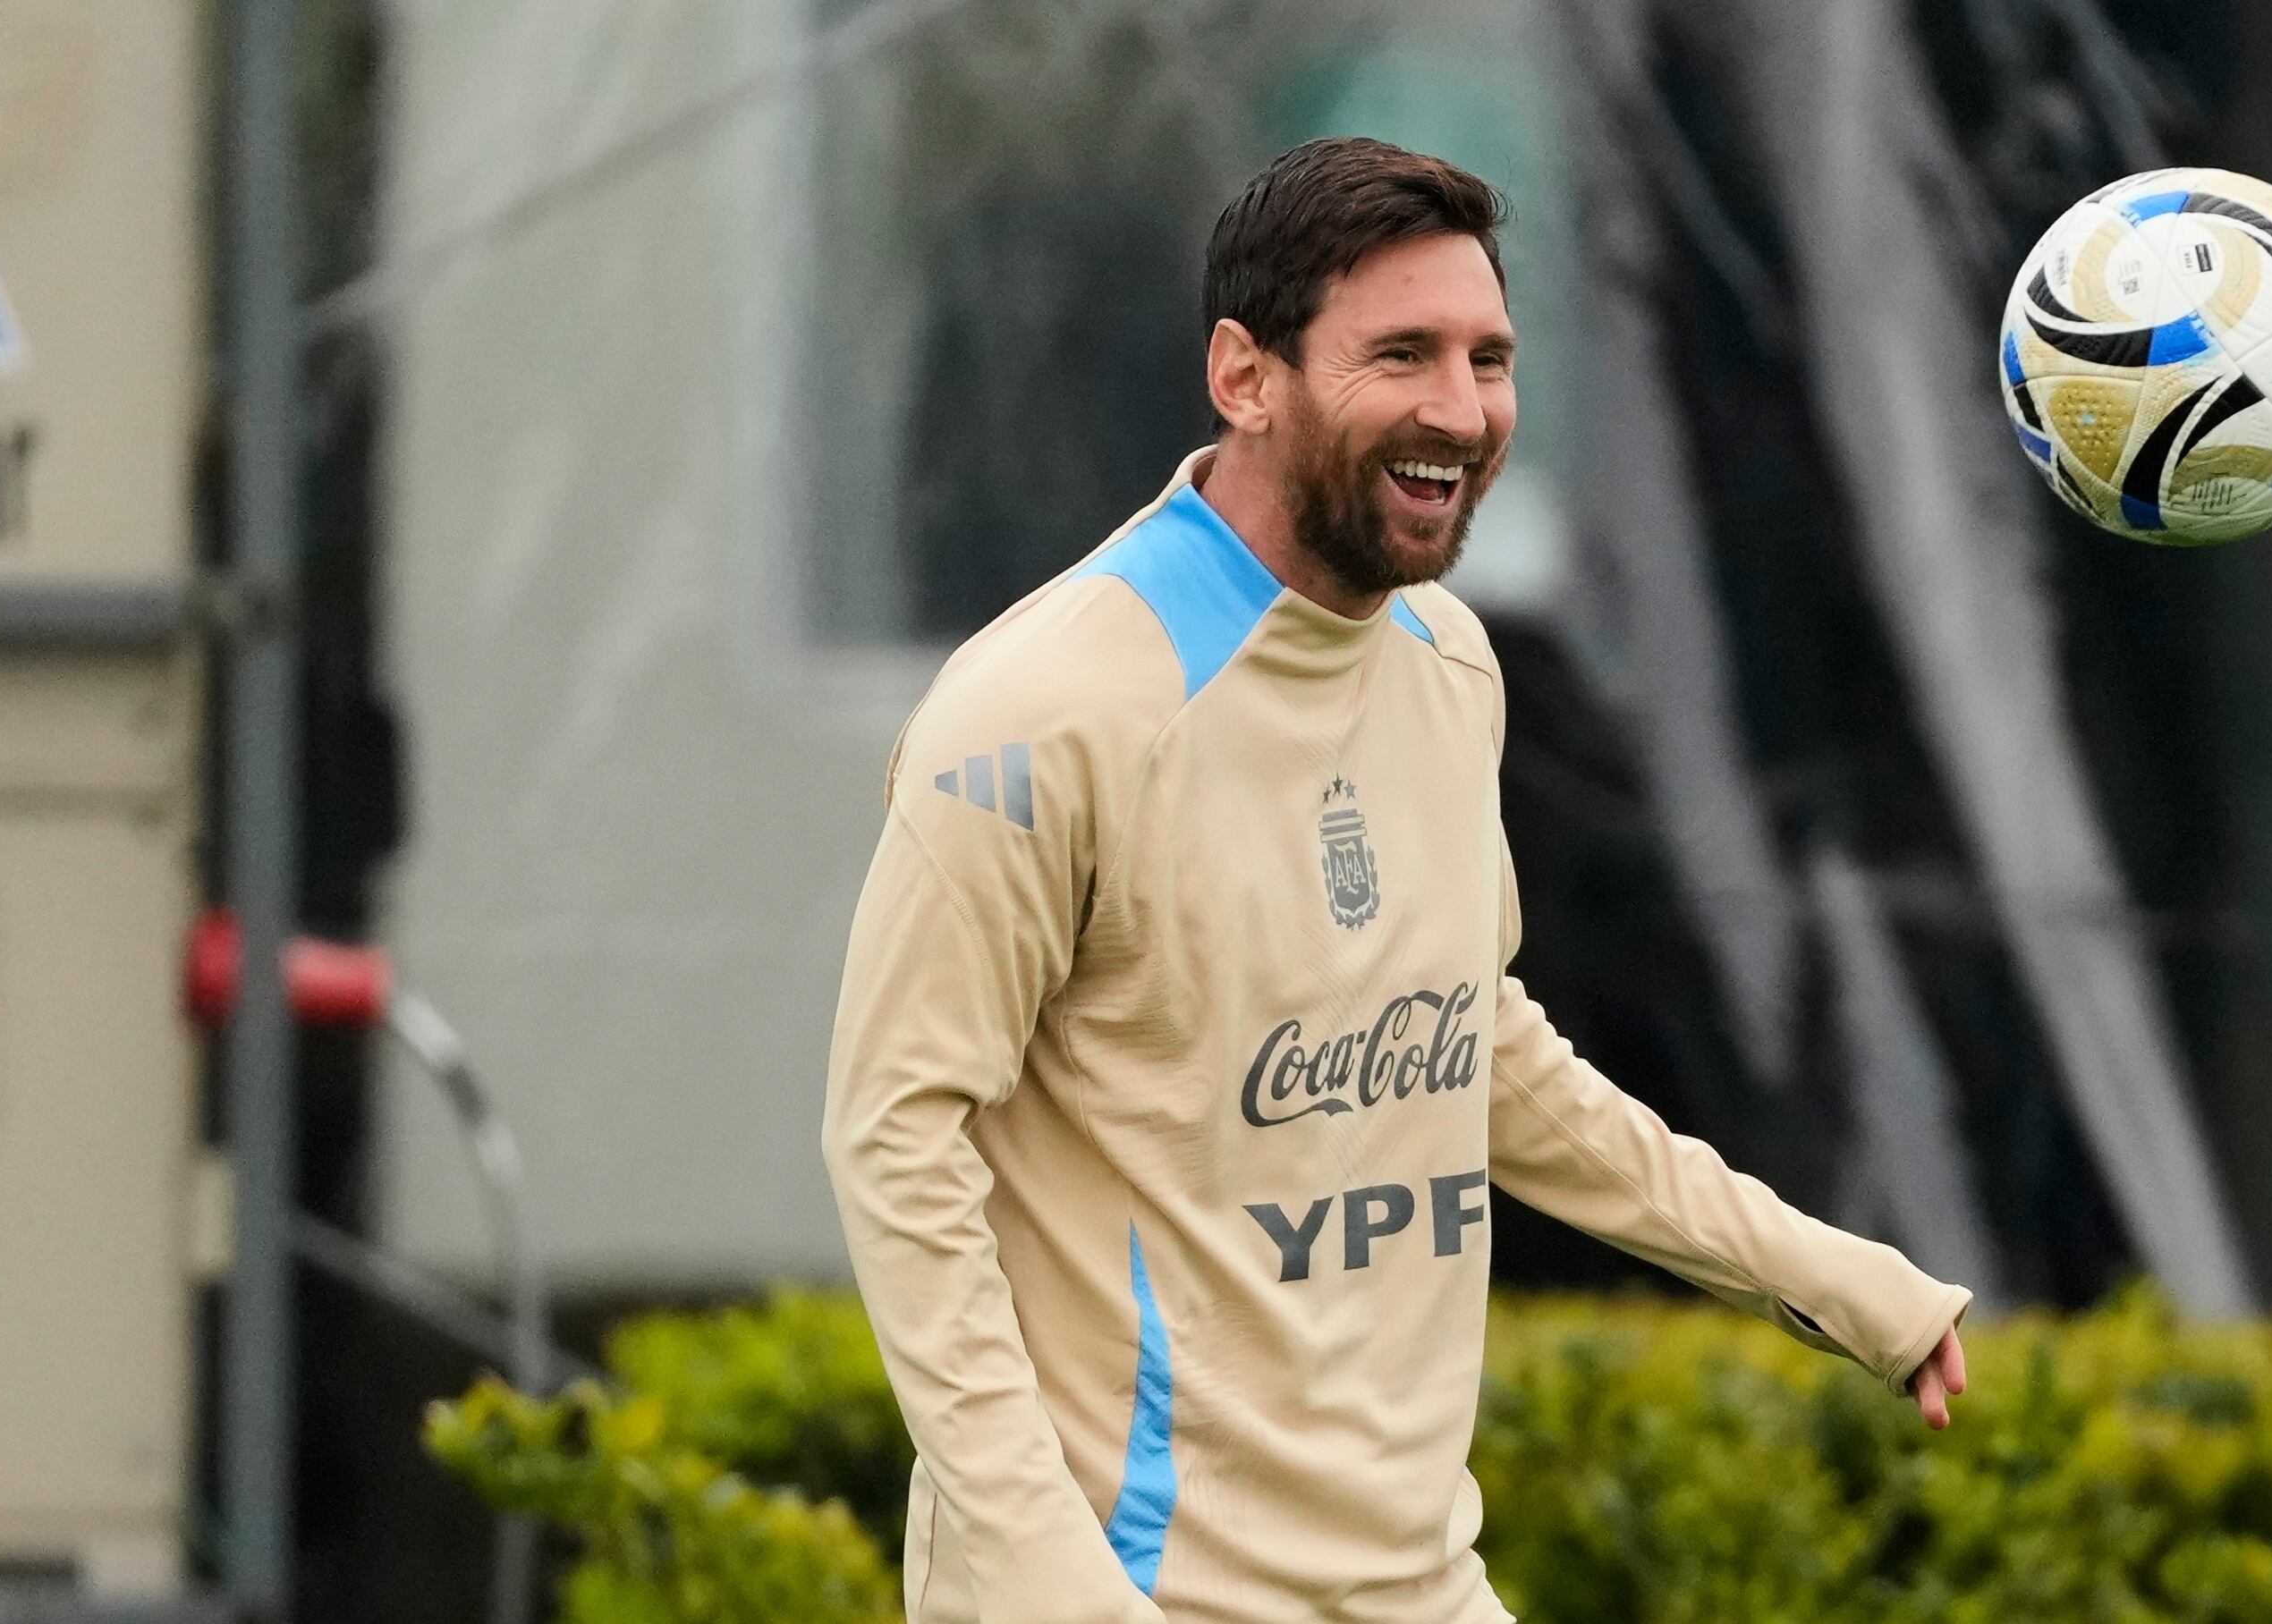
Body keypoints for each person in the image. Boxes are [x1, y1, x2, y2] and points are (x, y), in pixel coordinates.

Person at [822, 137, 1972, 1624]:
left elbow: (1466, 1043)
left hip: (1419, 1586)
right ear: (1246, 377)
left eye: (1489, 357)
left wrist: (1813, 1268)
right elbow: (899, 1140)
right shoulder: (1040, 710)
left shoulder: (1446, 665)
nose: (1460, 410)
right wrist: (1046, 1573)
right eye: (1402, 355)